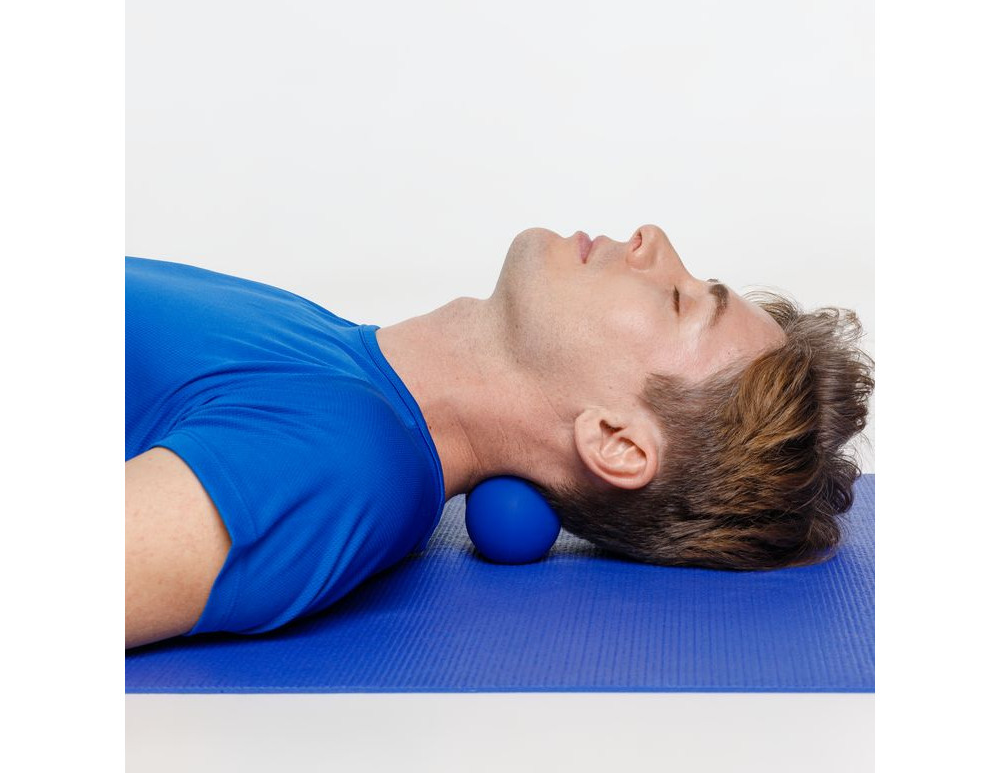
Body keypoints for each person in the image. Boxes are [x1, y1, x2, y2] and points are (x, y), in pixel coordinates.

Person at [125, 224, 873, 649]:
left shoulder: (334, 461)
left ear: (615, 441)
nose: (655, 239)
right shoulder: (338, 360)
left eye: (679, 301)